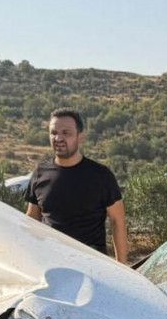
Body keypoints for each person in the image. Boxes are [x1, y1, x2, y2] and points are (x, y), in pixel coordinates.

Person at [24, 108, 129, 263]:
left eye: (66, 133)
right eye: (53, 133)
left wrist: (123, 268)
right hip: (52, 265)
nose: (58, 138)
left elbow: (117, 221)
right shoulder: (40, 173)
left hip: (93, 267)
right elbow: (32, 218)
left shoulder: (101, 176)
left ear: (81, 137)